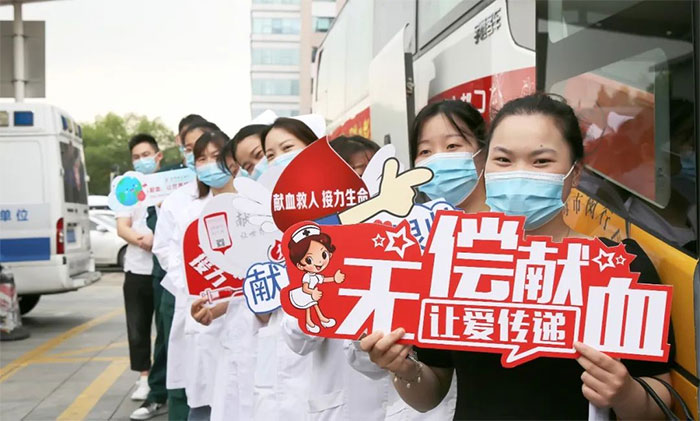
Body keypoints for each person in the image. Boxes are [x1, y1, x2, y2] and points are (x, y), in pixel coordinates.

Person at [360, 93, 673, 420]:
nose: (519, 173)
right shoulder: (452, 261)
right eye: (504, 160)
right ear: (484, 166)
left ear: (575, 172)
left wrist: (625, 393)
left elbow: (661, 401)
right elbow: (430, 393)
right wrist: (403, 369)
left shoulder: (620, 267)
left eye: (541, 161)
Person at [144, 114, 208, 421]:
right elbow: (164, 248)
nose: (200, 157)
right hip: (183, 294)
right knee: (184, 373)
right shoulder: (176, 198)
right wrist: (190, 279)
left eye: (207, 150)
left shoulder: (238, 193)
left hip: (227, 301)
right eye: (192, 150)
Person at [181, 130, 238, 421]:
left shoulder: (253, 208)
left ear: (233, 161)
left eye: (216, 156)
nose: (209, 164)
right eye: (201, 159)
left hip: (250, 322)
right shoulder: (192, 215)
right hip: (208, 322)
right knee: (208, 405)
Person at [116, 134, 164, 410]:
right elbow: (122, 226)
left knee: (165, 327)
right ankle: (144, 377)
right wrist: (142, 240)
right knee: (138, 326)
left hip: (165, 270)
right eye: (136, 157)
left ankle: (161, 378)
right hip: (137, 269)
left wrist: (159, 240)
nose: (141, 161)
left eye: (146, 155)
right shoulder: (128, 189)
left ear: (158, 156)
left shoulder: (170, 186)